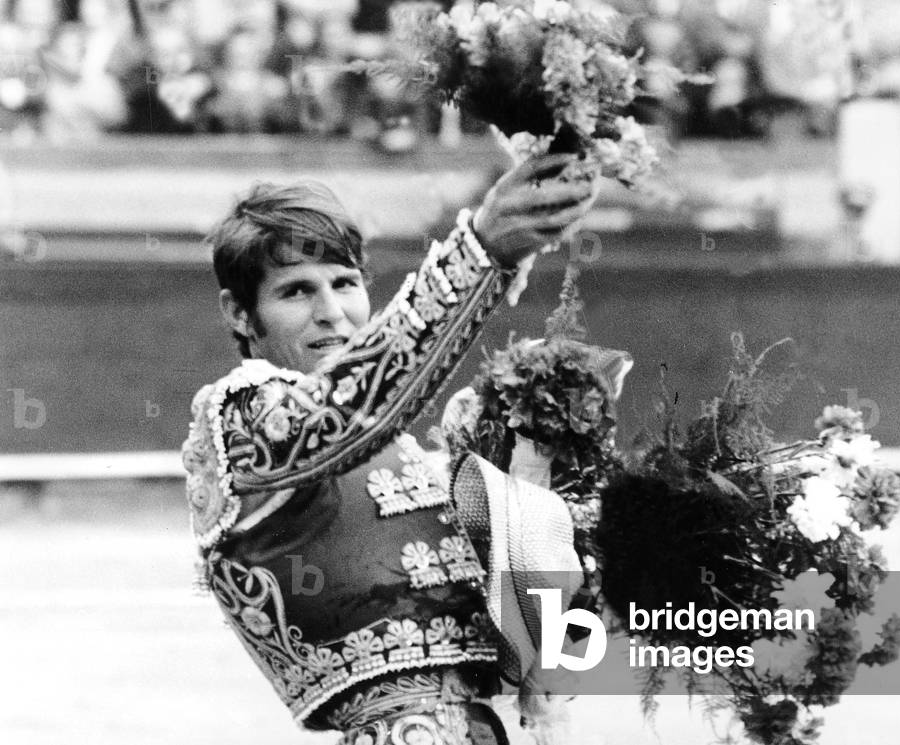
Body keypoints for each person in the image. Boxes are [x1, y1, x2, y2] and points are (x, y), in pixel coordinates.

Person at [182, 157, 597, 745]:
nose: (331, 311)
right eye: (297, 291)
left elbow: (539, 630)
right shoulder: (241, 422)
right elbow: (353, 401)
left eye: (345, 283)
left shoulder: (404, 457)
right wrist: (481, 252)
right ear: (239, 313)